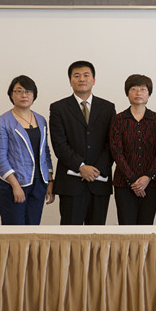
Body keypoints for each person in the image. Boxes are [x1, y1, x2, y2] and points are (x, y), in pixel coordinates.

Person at [49, 60, 115, 225]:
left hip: (99, 182)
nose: (82, 79)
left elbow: (112, 143)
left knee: (97, 235)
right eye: (77, 76)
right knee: (70, 235)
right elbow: (59, 144)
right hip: (71, 183)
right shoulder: (58, 108)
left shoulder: (108, 108)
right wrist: (81, 167)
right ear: (70, 81)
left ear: (94, 80)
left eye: (86, 75)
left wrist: (97, 170)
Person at [0, 75, 54, 225]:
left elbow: (45, 151)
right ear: (11, 95)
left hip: (39, 183)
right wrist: (15, 185)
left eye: (28, 91)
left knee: (33, 230)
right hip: (15, 185)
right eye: (19, 91)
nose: (24, 95)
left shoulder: (41, 120)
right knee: (14, 232)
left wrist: (50, 181)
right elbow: (0, 158)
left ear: (34, 95)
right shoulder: (3, 121)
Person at [110, 74, 156, 225]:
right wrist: (132, 179)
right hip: (123, 183)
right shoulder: (118, 119)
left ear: (149, 93)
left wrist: (148, 176)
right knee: (126, 227)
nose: (138, 93)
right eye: (134, 89)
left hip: (151, 183)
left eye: (143, 89)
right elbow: (116, 151)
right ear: (127, 93)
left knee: (146, 226)